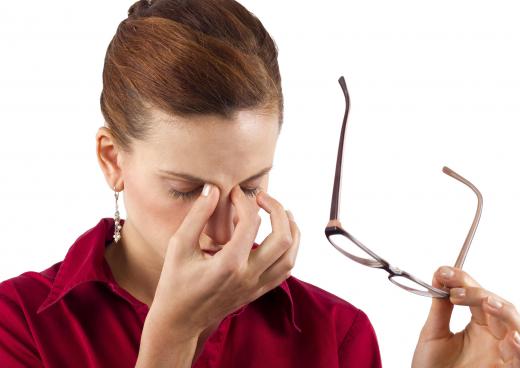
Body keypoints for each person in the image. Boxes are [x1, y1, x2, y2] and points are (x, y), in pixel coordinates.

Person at [0, 0, 518, 367]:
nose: (225, 230)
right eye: (185, 190)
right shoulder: (18, 324)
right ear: (112, 160)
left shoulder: (334, 334)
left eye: (250, 187)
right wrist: (171, 341)